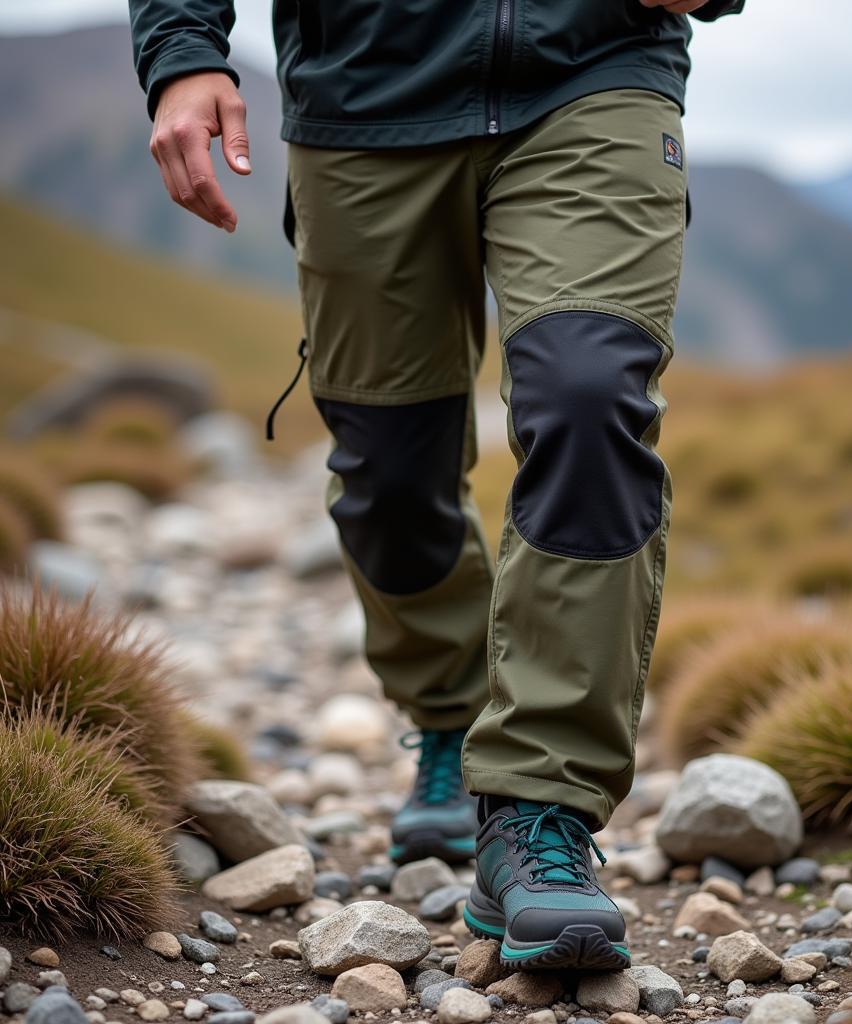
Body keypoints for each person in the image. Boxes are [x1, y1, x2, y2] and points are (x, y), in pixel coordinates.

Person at [130, 0, 744, 971]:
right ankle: (451, 713)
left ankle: (537, 812)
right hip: (366, 92)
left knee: (590, 395)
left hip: (595, 68)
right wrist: (180, 50)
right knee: (389, 473)